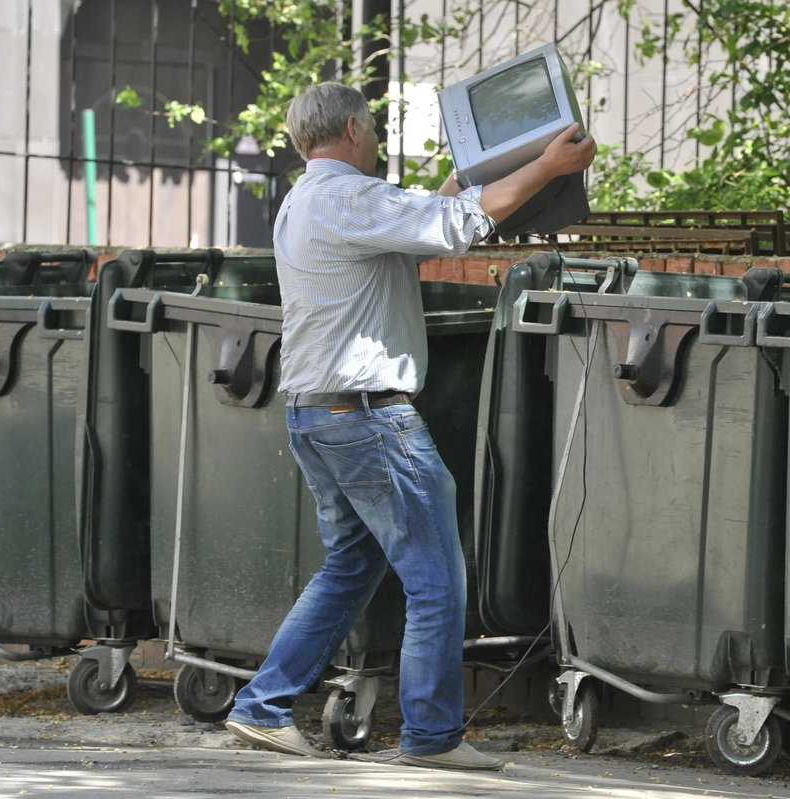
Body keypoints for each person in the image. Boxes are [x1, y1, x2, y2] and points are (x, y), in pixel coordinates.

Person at [224, 81, 596, 770]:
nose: (379, 138)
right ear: (356, 127)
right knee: (436, 576)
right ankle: (430, 735)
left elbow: (422, 222)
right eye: (374, 128)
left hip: (316, 411)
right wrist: (547, 168)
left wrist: (456, 186)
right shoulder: (349, 197)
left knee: (352, 565)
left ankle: (262, 704)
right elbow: (456, 226)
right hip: (366, 416)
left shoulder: (306, 200)